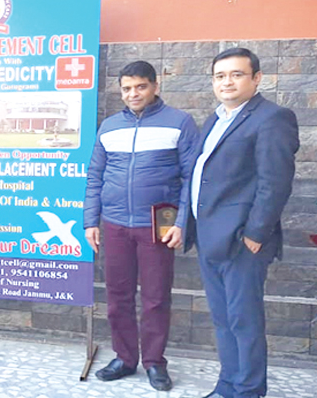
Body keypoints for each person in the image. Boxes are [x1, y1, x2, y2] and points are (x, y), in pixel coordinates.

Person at [188, 48, 299, 398]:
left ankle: (249, 390)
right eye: (220, 76)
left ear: (256, 78)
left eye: (236, 74)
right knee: (223, 320)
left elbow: (275, 182)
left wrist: (255, 234)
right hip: (210, 237)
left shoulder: (272, 118)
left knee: (244, 321)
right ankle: (227, 386)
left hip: (242, 241)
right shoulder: (216, 119)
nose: (227, 82)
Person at [84, 61, 199, 391]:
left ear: (155, 86)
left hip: (158, 225)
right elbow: (95, 176)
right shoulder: (108, 127)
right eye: (126, 88)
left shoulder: (179, 122)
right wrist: (90, 220)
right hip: (115, 223)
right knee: (118, 296)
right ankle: (124, 357)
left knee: (155, 297)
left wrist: (181, 222)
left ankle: (154, 362)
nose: (133, 94)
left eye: (140, 87)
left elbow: (192, 177)